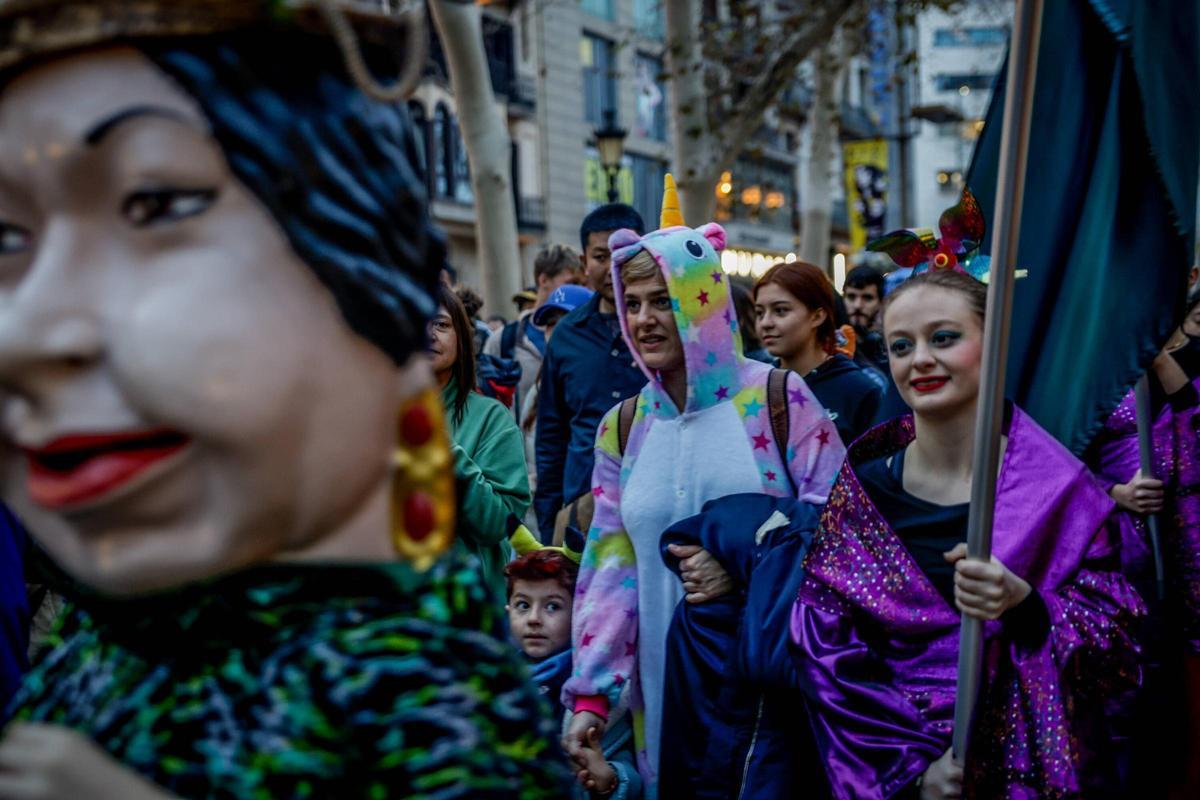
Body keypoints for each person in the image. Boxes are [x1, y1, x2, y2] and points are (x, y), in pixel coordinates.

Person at [0, 5, 565, 797]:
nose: (25, 331)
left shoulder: (412, 691)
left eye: (154, 206)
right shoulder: (107, 642)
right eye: (8, 239)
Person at [791, 269, 1144, 799]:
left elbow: (1122, 644)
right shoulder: (863, 493)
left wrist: (1027, 606)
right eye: (901, 345)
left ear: (995, 342)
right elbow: (825, 652)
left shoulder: (1061, 489)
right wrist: (907, 773)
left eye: (944, 337)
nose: (920, 359)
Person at [562, 190, 844, 797]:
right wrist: (591, 693)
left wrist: (741, 566)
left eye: (662, 300)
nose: (643, 319)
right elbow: (611, 569)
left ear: (704, 299)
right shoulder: (623, 426)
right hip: (656, 704)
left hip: (763, 698)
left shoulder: (780, 399)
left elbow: (840, 532)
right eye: (631, 303)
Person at [534, 204, 648, 537]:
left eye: (624, 253)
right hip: (582, 512)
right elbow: (552, 438)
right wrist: (550, 523)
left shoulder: (668, 327)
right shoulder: (566, 335)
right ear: (584, 263)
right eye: (601, 256)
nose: (613, 265)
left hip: (656, 501)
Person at [504, 544, 642, 800]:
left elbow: (630, 775)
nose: (534, 618)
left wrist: (609, 781)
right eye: (523, 605)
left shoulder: (598, 689)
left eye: (552, 607)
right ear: (508, 611)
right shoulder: (491, 682)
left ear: (582, 615)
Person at [429, 284, 531, 597]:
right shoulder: (371, 416)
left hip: (467, 607)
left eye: (442, 325)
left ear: (462, 338)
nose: (429, 334)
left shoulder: (491, 418)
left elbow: (500, 524)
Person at [754, 261, 883, 444]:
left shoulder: (860, 391)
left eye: (780, 311)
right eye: (759, 313)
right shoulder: (754, 385)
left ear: (817, 316)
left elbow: (871, 468)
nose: (766, 322)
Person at [484, 243, 582, 423]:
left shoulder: (584, 337)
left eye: (581, 284)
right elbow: (484, 401)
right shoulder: (504, 340)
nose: (577, 289)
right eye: (571, 283)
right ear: (543, 280)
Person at [519, 284, 596, 498]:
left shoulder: (606, 385)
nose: (557, 331)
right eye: (551, 323)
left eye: (567, 319)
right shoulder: (538, 390)